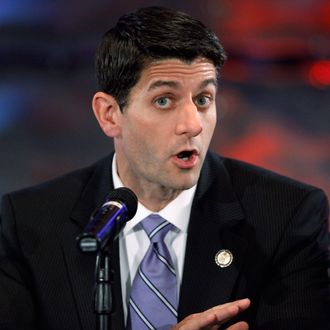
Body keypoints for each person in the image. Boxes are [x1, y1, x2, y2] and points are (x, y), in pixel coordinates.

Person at [0, 6, 329, 330]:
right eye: (164, 100)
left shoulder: (287, 216)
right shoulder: (29, 223)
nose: (192, 125)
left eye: (203, 100)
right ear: (109, 114)